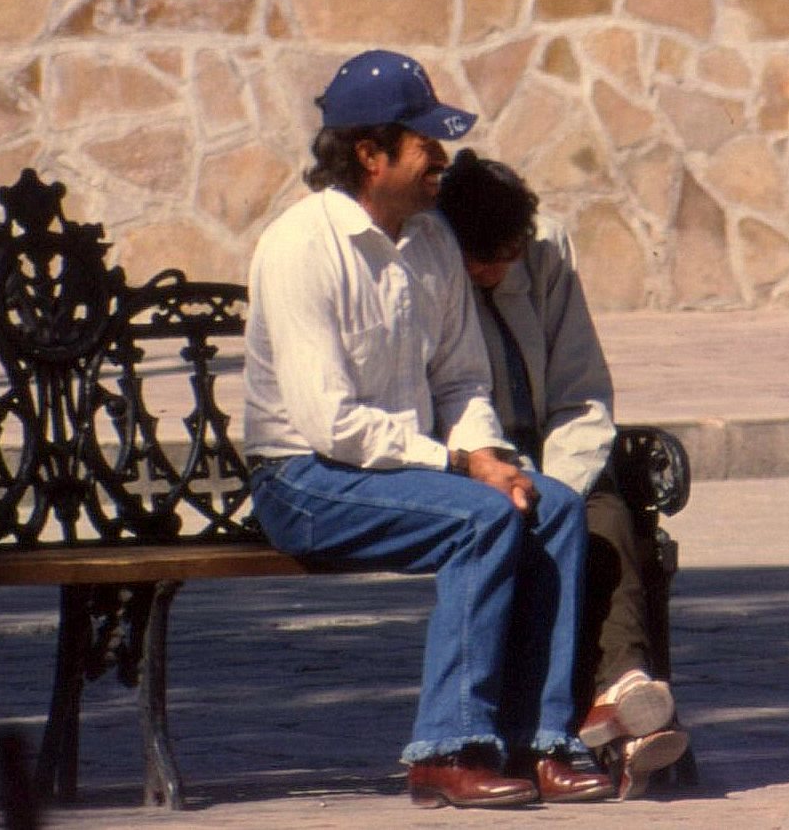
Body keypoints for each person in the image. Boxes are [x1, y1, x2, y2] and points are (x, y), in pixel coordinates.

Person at [243, 49, 614, 809]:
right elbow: (330, 424)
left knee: (553, 506)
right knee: (480, 519)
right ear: (370, 154)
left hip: (401, 469)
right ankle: (448, 750)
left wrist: (489, 455)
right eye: (425, 143)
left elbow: (460, 380)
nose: (442, 158)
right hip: (303, 479)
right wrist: (459, 464)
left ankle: (541, 739)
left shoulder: (432, 240)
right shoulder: (300, 247)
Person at [434, 148, 690, 800]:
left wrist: (563, 489)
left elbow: (580, 390)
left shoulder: (545, 249)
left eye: (505, 258)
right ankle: (621, 713)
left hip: (552, 454)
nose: (494, 273)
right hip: (475, 460)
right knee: (554, 525)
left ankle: (623, 691)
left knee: (601, 517)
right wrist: (513, 478)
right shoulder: (428, 262)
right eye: (480, 262)